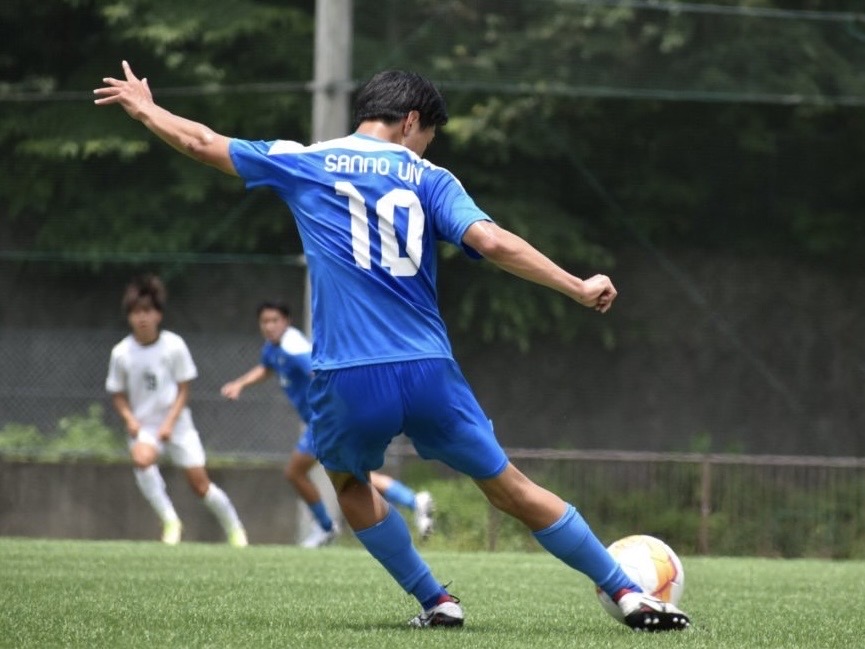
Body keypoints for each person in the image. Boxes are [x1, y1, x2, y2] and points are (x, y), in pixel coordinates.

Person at [95, 62, 690, 631]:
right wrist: (576, 285)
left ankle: (437, 600)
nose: (425, 148)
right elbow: (492, 242)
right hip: (429, 370)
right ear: (410, 121)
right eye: (428, 136)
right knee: (510, 487)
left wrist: (147, 110)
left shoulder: (305, 160)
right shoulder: (431, 179)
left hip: (349, 374)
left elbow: (202, 142)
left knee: (349, 484)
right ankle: (625, 590)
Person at [220, 300, 435, 547]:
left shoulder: (293, 346)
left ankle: (326, 527)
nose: (269, 326)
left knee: (297, 472)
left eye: (274, 320)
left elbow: (319, 372)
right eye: (264, 321)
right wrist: (240, 384)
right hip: (325, 422)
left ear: (287, 321)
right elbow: (267, 367)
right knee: (353, 475)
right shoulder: (274, 348)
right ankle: (412, 501)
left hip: (326, 422)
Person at [105, 273, 248, 548]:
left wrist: (169, 423)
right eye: (136, 312)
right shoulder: (121, 353)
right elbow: (118, 394)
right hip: (145, 426)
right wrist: (130, 420)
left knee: (200, 485)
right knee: (142, 459)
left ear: (158, 314)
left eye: (147, 311)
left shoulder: (173, 345)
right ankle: (171, 521)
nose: (142, 318)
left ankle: (235, 529)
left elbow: (184, 389)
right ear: (129, 317)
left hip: (178, 424)